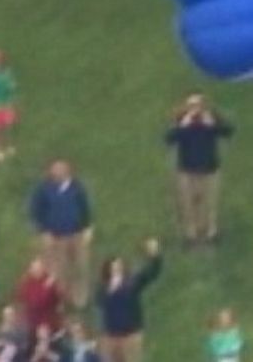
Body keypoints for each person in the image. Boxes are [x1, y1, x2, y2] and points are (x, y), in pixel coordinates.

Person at [165, 93, 234, 246]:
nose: (195, 109)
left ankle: (211, 231)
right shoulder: (182, 121)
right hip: (187, 170)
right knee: (189, 202)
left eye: (198, 105)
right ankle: (191, 233)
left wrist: (213, 125)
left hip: (210, 169)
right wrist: (182, 126)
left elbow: (228, 132)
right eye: (191, 105)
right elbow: (169, 139)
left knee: (209, 201)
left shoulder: (210, 119)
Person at [30, 160, 94, 309]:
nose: (56, 174)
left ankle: (80, 297)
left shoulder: (77, 188)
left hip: (77, 234)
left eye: (60, 171)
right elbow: (36, 211)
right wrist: (43, 232)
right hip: (56, 237)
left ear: (68, 172)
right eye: (54, 171)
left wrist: (88, 228)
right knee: (59, 269)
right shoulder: (44, 189)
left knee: (81, 266)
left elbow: (85, 208)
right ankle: (61, 299)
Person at [96, 238, 162, 362]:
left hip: (131, 335)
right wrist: (111, 289)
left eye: (119, 267)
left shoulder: (133, 282)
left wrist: (155, 255)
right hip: (111, 336)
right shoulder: (103, 288)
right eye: (113, 268)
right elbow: (99, 303)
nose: (117, 270)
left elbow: (152, 273)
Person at [16, 257, 65, 335]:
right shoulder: (27, 284)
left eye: (40, 268)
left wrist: (55, 286)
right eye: (35, 268)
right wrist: (46, 287)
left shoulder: (48, 280)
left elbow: (58, 299)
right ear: (30, 270)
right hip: (33, 323)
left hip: (50, 322)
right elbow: (36, 303)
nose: (38, 270)